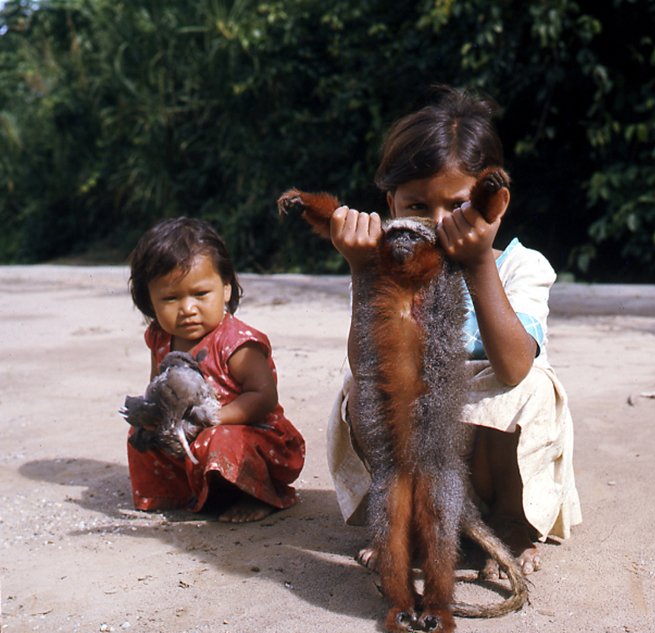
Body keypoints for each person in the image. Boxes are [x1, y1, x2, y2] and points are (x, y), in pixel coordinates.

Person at [325, 87, 582, 578]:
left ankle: (508, 525)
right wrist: (363, 272)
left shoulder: (521, 267)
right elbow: (371, 369)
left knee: (529, 387)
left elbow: (512, 367)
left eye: (458, 205)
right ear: (391, 204)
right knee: (363, 388)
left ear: (493, 203)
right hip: (425, 463)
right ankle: (411, 524)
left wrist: (479, 259)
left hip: (493, 470)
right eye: (418, 207)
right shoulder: (388, 265)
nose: (439, 224)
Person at [126, 217, 305, 522]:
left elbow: (263, 396)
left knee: (221, 440)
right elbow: (159, 385)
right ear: (149, 301)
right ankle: (176, 493)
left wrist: (214, 418)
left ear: (225, 288)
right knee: (142, 433)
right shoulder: (161, 338)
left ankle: (254, 494)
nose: (187, 309)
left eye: (200, 294)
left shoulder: (236, 342)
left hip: (255, 437)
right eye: (170, 298)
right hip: (191, 433)